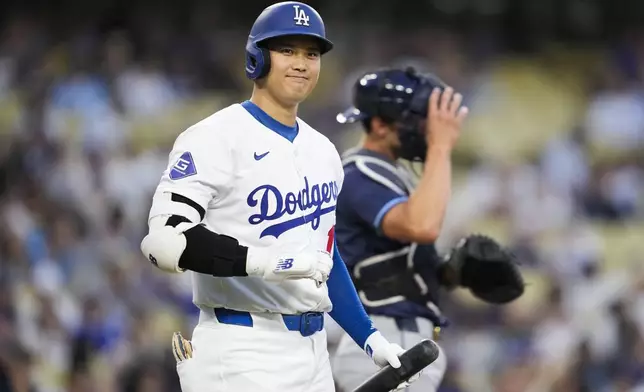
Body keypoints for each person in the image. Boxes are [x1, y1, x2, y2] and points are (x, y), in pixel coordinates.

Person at [139, 3, 423, 392]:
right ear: (256, 58)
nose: (301, 63)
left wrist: (369, 338)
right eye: (287, 50)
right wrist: (266, 262)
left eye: (311, 53)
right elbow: (164, 243)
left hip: (312, 351)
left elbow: (325, 258)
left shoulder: (324, 150)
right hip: (241, 347)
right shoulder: (214, 137)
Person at [331, 67, 524, 391]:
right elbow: (421, 226)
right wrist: (441, 146)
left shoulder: (392, 175)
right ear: (379, 125)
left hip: (401, 339)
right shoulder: (358, 172)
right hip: (387, 340)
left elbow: (396, 261)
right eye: (417, 121)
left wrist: (449, 271)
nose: (426, 129)